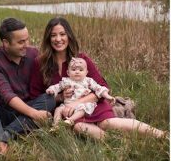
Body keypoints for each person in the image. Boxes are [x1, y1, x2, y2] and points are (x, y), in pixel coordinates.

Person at [30, 16, 165, 140]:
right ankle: (118, 142)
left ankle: (161, 135)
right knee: (79, 128)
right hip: (68, 113)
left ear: (69, 36)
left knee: (107, 123)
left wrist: (76, 103)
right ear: (48, 38)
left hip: (92, 105)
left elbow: (103, 86)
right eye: (53, 35)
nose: (58, 39)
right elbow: (36, 97)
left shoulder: (81, 59)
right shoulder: (40, 63)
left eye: (62, 34)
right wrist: (59, 97)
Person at [0, 17, 56, 155]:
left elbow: (47, 82)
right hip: (4, 112)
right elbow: (7, 95)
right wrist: (36, 114)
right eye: (21, 42)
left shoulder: (34, 54)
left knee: (50, 98)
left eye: (27, 40)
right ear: (6, 43)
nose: (27, 44)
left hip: (28, 108)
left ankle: (2, 136)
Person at [45, 57, 114, 126]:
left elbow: (99, 88)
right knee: (58, 109)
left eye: (81, 70)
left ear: (86, 72)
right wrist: (52, 90)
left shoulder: (88, 81)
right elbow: (57, 87)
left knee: (82, 109)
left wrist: (107, 96)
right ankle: (56, 125)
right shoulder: (66, 81)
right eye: (73, 69)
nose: (77, 72)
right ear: (68, 72)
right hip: (67, 104)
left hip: (82, 104)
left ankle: (70, 120)